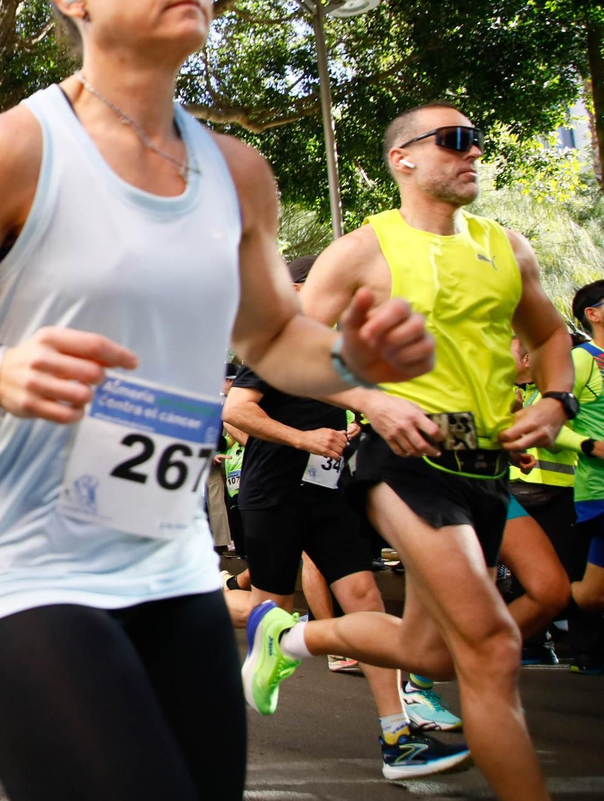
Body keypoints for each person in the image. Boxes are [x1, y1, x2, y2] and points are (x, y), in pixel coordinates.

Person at [0, 0, 435, 800]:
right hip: (17, 558)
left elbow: (273, 338)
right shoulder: (22, 149)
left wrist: (357, 362)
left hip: (164, 554)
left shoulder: (237, 172)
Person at [244, 102, 575, 801]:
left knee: (431, 651)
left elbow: (550, 340)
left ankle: (291, 641)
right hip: (403, 465)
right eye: (455, 141)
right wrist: (371, 400)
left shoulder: (507, 247)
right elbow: (284, 349)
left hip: (485, 468)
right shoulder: (364, 250)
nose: (473, 153)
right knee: (491, 647)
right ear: (405, 159)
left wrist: (553, 403)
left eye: (477, 142)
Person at [222, 256, 469, 778]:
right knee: (273, 609)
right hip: (274, 494)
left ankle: (397, 734)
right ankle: (178, 600)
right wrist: (303, 438)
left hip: (327, 492)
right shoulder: (276, 346)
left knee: (364, 599)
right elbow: (236, 409)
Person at [505, 339, 584, 663]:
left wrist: (506, 448)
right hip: (468, 493)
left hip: (545, 490)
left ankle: (517, 645)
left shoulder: (543, 389)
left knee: (553, 586)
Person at [565, 282, 604, 667]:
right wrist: (590, 445)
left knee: (592, 594)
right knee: (588, 594)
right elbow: (549, 417)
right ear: (592, 314)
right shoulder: (582, 359)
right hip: (597, 487)